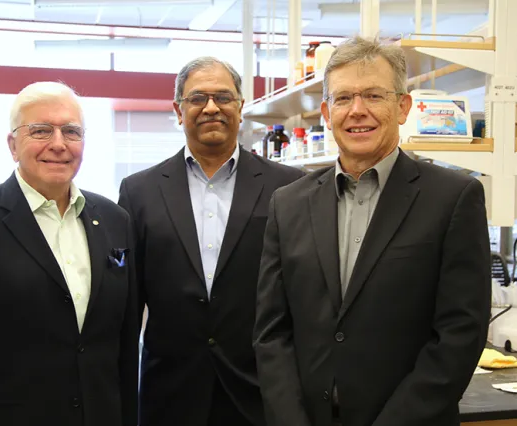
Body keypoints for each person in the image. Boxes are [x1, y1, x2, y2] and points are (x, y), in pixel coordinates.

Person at [254, 36, 491, 426]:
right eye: (344, 99)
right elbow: (271, 332)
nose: (357, 111)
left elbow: (459, 335)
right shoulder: (288, 204)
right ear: (327, 114)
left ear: (402, 107)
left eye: (373, 96)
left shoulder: (453, 198)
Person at [118, 57, 304, 426]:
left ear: (240, 106)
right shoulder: (139, 191)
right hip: (168, 392)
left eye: (223, 97)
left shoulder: (290, 187)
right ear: (178, 109)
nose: (211, 107)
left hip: (259, 390)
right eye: (197, 98)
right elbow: (126, 301)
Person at [0, 82, 138, 426]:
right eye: (40, 130)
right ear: (12, 144)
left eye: (71, 131)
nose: (58, 144)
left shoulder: (115, 220)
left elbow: (123, 345)